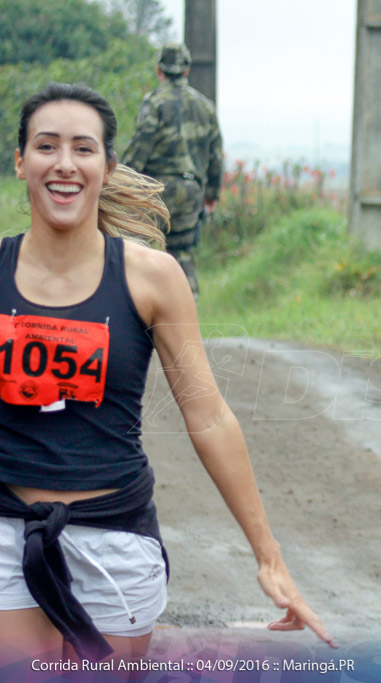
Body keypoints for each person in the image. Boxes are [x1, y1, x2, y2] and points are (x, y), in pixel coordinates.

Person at [0, 83, 334, 667]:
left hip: (116, 542)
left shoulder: (153, 278)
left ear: (107, 165)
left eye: (83, 148)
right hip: (8, 534)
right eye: (46, 146)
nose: (64, 163)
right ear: (21, 161)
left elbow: (207, 415)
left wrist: (268, 554)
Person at [122, 42, 222, 299]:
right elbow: (216, 155)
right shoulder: (206, 106)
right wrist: (211, 194)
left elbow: (140, 147)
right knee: (182, 253)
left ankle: (142, 312)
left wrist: (121, 182)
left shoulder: (154, 103)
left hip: (156, 191)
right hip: (191, 192)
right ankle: (186, 317)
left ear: (160, 70)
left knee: (141, 250)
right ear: (186, 70)